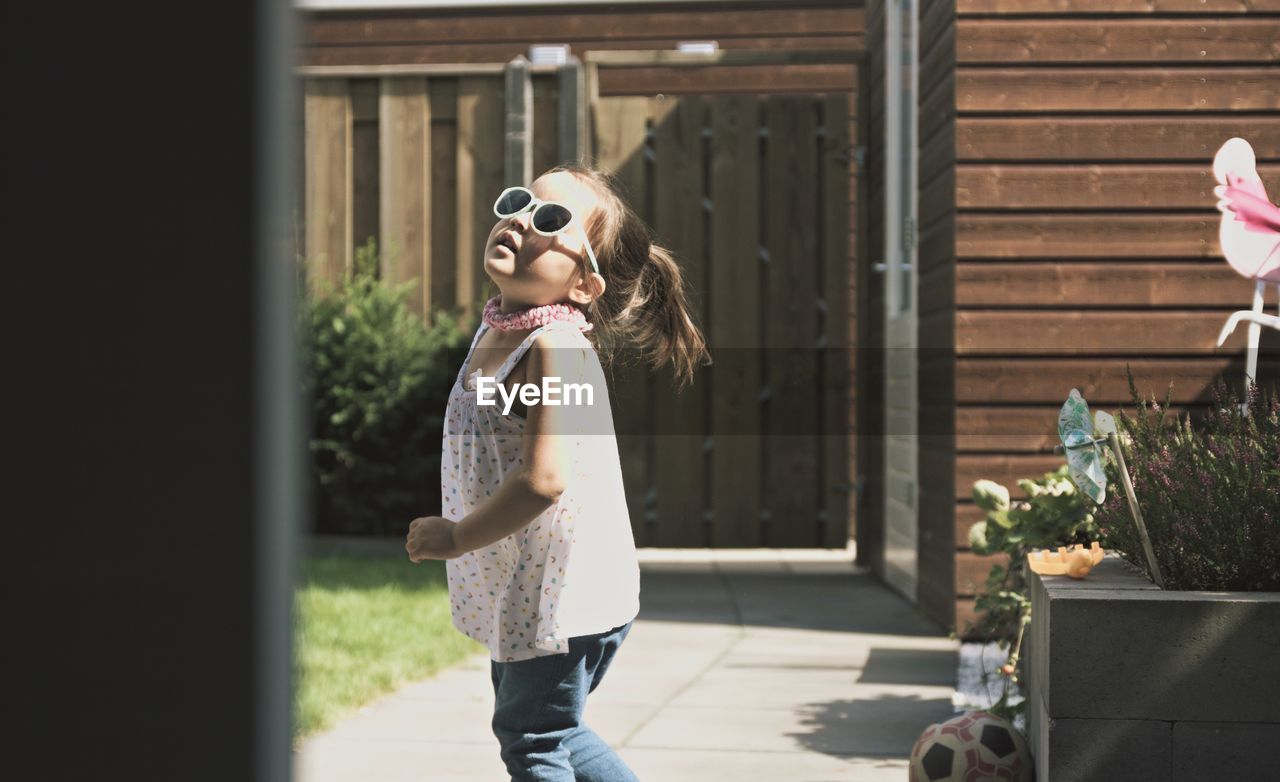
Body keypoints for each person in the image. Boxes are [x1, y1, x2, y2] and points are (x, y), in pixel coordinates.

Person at [405, 161, 710, 781]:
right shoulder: (503, 326)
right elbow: (498, 432)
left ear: (583, 286)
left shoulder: (558, 347)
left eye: (548, 220)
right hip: (525, 583)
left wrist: (457, 536)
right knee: (549, 729)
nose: (519, 219)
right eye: (519, 202)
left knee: (532, 738)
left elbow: (544, 479)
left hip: (563, 592)